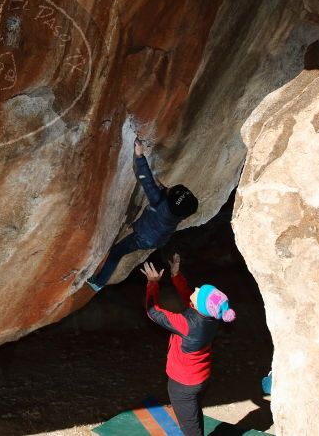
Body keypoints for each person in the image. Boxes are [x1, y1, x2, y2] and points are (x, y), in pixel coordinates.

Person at [141, 255, 236, 436]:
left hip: (183, 384)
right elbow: (190, 297)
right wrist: (176, 275)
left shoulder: (187, 325)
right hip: (200, 377)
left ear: (198, 306)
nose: (197, 288)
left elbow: (153, 311)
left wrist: (152, 283)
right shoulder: (211, 316)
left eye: (200, 291)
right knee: (192, 416)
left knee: (190, 429)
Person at [86, 138, 198, 291]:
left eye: (171, 189)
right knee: (132, 243)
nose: (169, 187)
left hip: (145, 237)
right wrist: (165, 189)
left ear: (168, 199)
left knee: (116, 252)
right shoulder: (180, 211)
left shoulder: (159, 202)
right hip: (158, 238)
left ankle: (98, 283)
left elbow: (147, 182)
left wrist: (139, 156)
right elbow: (168, 196)